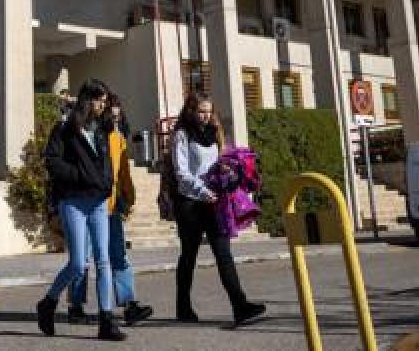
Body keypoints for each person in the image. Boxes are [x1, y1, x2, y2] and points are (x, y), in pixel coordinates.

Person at [35, 79, 126, 342]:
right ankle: (48, 303)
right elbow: (51, 160)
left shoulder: (100, 128)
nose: (103, 105)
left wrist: (106, 183)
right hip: (73, 201)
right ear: (88, 100)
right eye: (99, 100)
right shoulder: (64, 128)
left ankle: (107, 321)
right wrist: (79, 175)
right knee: (77, 264)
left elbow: (107, 160)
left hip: (98, 201)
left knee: (104, 260)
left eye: (105, 101)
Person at [172, 95, 266, 327]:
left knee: (224, 254)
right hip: (190, 202)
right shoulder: (182, 134)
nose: (206, 116)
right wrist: (201, 190)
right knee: (189, 256)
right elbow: (181, 173)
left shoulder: (214, 133)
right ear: (191, 110)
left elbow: (219, 162)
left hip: (216, 202)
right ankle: (183, 307)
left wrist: (226, 169)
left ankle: (240, 306)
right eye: (201, 111)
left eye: (209, 111)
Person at [68, 92, 153, 328]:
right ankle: (75, 306)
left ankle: (129, 305)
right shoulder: (91, 135)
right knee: (82, 259)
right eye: (111, 115)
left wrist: (129, 197)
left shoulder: (118, 139)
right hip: (87, 206)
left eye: (118, 117)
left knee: (119, 256)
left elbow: (123, 173)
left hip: (112, 207)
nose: (115, 120)